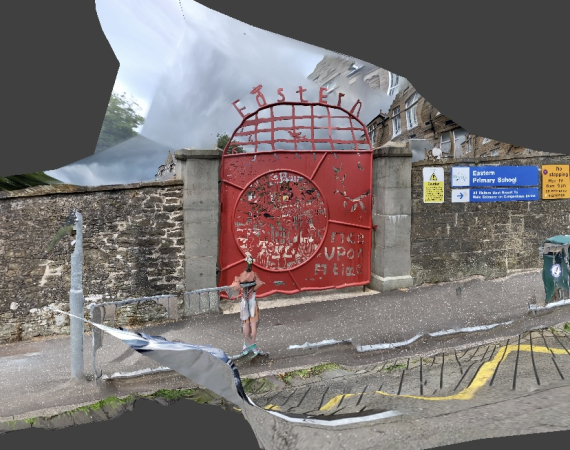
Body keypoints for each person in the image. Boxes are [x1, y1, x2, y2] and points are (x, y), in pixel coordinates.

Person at [229, 253, 264, 355]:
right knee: (254, 324)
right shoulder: (254, 274)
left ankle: (245, 345)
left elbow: (235, 287)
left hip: (244, 302)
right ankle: (253, 344)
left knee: (245, 323)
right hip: (252, 301)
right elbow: (259, 283)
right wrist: (253, 290)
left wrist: (241, 288)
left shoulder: (241, 276)